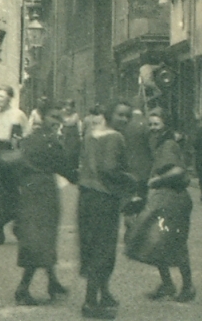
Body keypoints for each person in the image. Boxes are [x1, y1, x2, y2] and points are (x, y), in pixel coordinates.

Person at [125, 106, 195, 303]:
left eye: (157, 124)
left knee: (176, 243)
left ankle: (188, 287)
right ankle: (167, 284)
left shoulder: (169, 144)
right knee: (155, 240)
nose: (153, 128)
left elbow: (178, 171)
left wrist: (156, 181)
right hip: (163, 198)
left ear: (166, 125)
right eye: (151, 124)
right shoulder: (158, 143)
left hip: (174, 198)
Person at [13, 98, 78, 306]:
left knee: (43, 238)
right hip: (42, 192)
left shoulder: (31, 138)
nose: (56, 122)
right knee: (40, 241)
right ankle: (22, 288)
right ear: (41, 116)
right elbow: (65, 166)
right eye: (53, 117)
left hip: (33, 191)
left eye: (59, 118)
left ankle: (52, 282)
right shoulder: (48, 141)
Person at [78, 100, 135, 318]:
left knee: (91, 246)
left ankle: (104, 293)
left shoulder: (90, 134)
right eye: (121, 115)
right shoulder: (116, 137)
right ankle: (91, 303)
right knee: (103, 249)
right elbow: (110, 169)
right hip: (104, 198)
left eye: (128, 116)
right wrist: (130, 180)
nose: (125, 119)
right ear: (110, 114)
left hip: (87, 197)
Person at [0, 85, 27, 244]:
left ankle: (19, 227)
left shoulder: (18, 115)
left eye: (1, 97)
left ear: (10, 98)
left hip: (12, 153)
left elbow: (26, 134)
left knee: (13, 191)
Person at [123, 101, 151, 203]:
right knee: (142, 195)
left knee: (128, 195)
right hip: (144, 165)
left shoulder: (125, 122)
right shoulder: (146, 122)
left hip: (127, 164)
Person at [61, 99, 83, 168]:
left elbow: (79, 125)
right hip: (64, 134)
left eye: (70, 106)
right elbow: (60, 124)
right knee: (64, 151)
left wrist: (80, 135)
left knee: (72, 152)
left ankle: (73, 167)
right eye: (66, 106)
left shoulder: (75, 116)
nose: (68, 108)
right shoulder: (62, 114)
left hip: (73, 136)